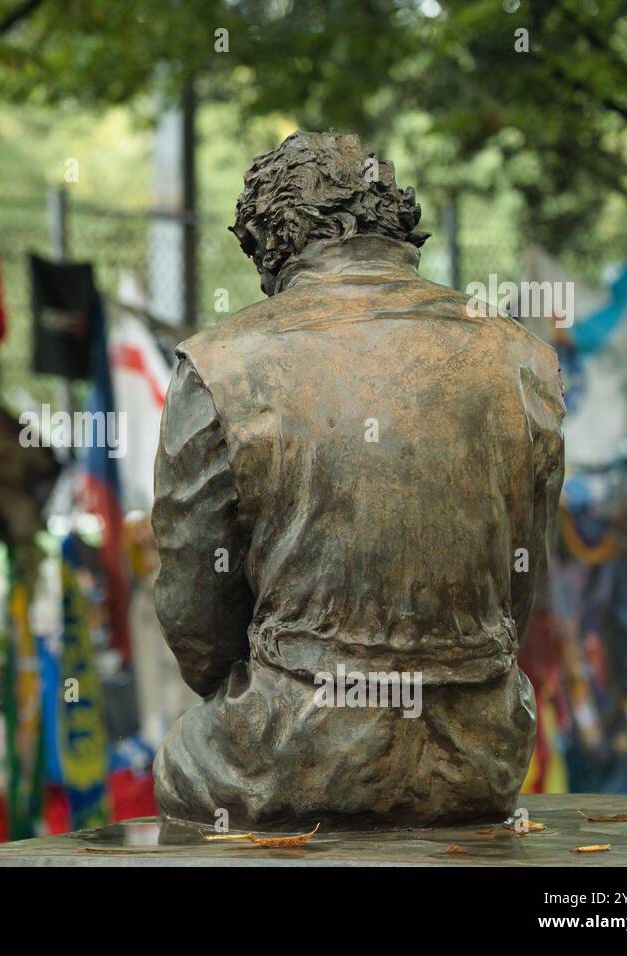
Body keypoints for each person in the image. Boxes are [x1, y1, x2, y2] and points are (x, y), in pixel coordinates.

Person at [152, 130, 565, 830]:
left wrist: (270, 688)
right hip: (479, 753)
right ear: (397, 221)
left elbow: (196, 617)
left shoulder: (220, 364)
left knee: (179, 758)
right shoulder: (521, 356)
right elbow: (519, 589)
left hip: (287, 747)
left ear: (273, 240)